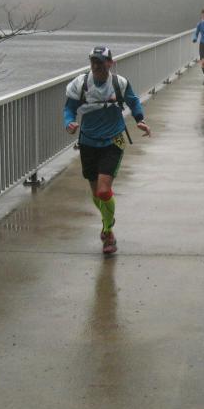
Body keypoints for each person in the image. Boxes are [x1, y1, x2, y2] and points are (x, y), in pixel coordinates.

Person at [63, 46, 151, 254]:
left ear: (110, 63)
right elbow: (69, 108)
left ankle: (108, 231)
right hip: (88, 141)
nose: (96, 66)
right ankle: (107, 219)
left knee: (103, 190)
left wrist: (140, 119)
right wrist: (69, 122)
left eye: (100, 62)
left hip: (114, 140)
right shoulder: (80, 84)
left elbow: (133, 101)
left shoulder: (119, 83)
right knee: (96, 193)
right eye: (93, 62)